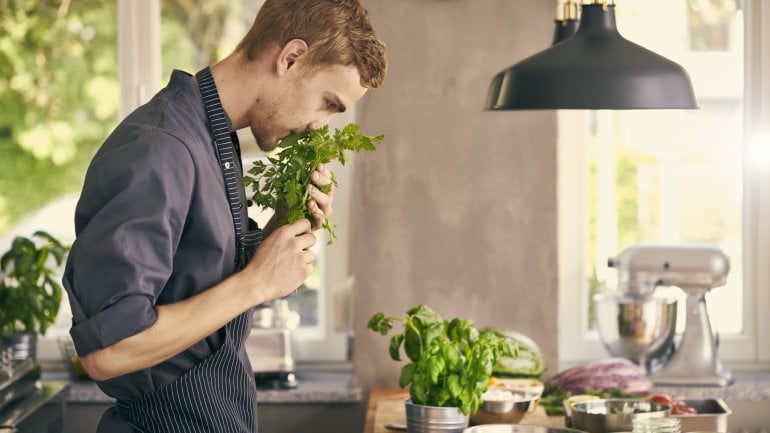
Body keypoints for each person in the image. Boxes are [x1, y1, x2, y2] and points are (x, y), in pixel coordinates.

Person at [61, 1, 387, 432]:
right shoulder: (160, 149)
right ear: (290, 57)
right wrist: (256, 283)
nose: (318, 126)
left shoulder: (216, 139)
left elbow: (205, 286)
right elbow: (109, 351)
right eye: (328, 103)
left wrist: (284, 225)